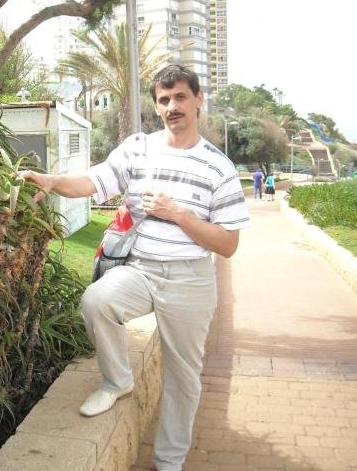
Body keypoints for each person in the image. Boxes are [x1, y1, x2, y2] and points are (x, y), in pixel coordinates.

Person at [18, 64, 250, 471]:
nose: (172, 106)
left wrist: (178, 214)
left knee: (183, 376)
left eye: (180, 97)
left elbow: (228, 244)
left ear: (198, 99)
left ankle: (169, 462)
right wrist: (52, 181)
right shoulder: (138, 148)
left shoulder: (219, 167)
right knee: (97, 301)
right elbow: (93, 181)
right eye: (164, 99)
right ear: (157, 106)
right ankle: (118, 380)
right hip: (140, 268)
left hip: (190, 279)